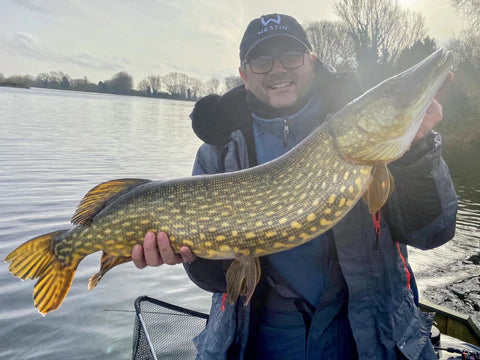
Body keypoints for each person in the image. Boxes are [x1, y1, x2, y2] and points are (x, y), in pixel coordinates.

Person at [131, 13, 458, 360]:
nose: (278, 69)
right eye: (261, 60)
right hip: (260, 340)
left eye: (291, 55)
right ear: (244, 75)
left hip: (365, 336)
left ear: (312, 62)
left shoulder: (368, 141)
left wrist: (417, 153)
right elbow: (215, 279)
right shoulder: (219, 152)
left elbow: (433, 232)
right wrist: (186, 255)